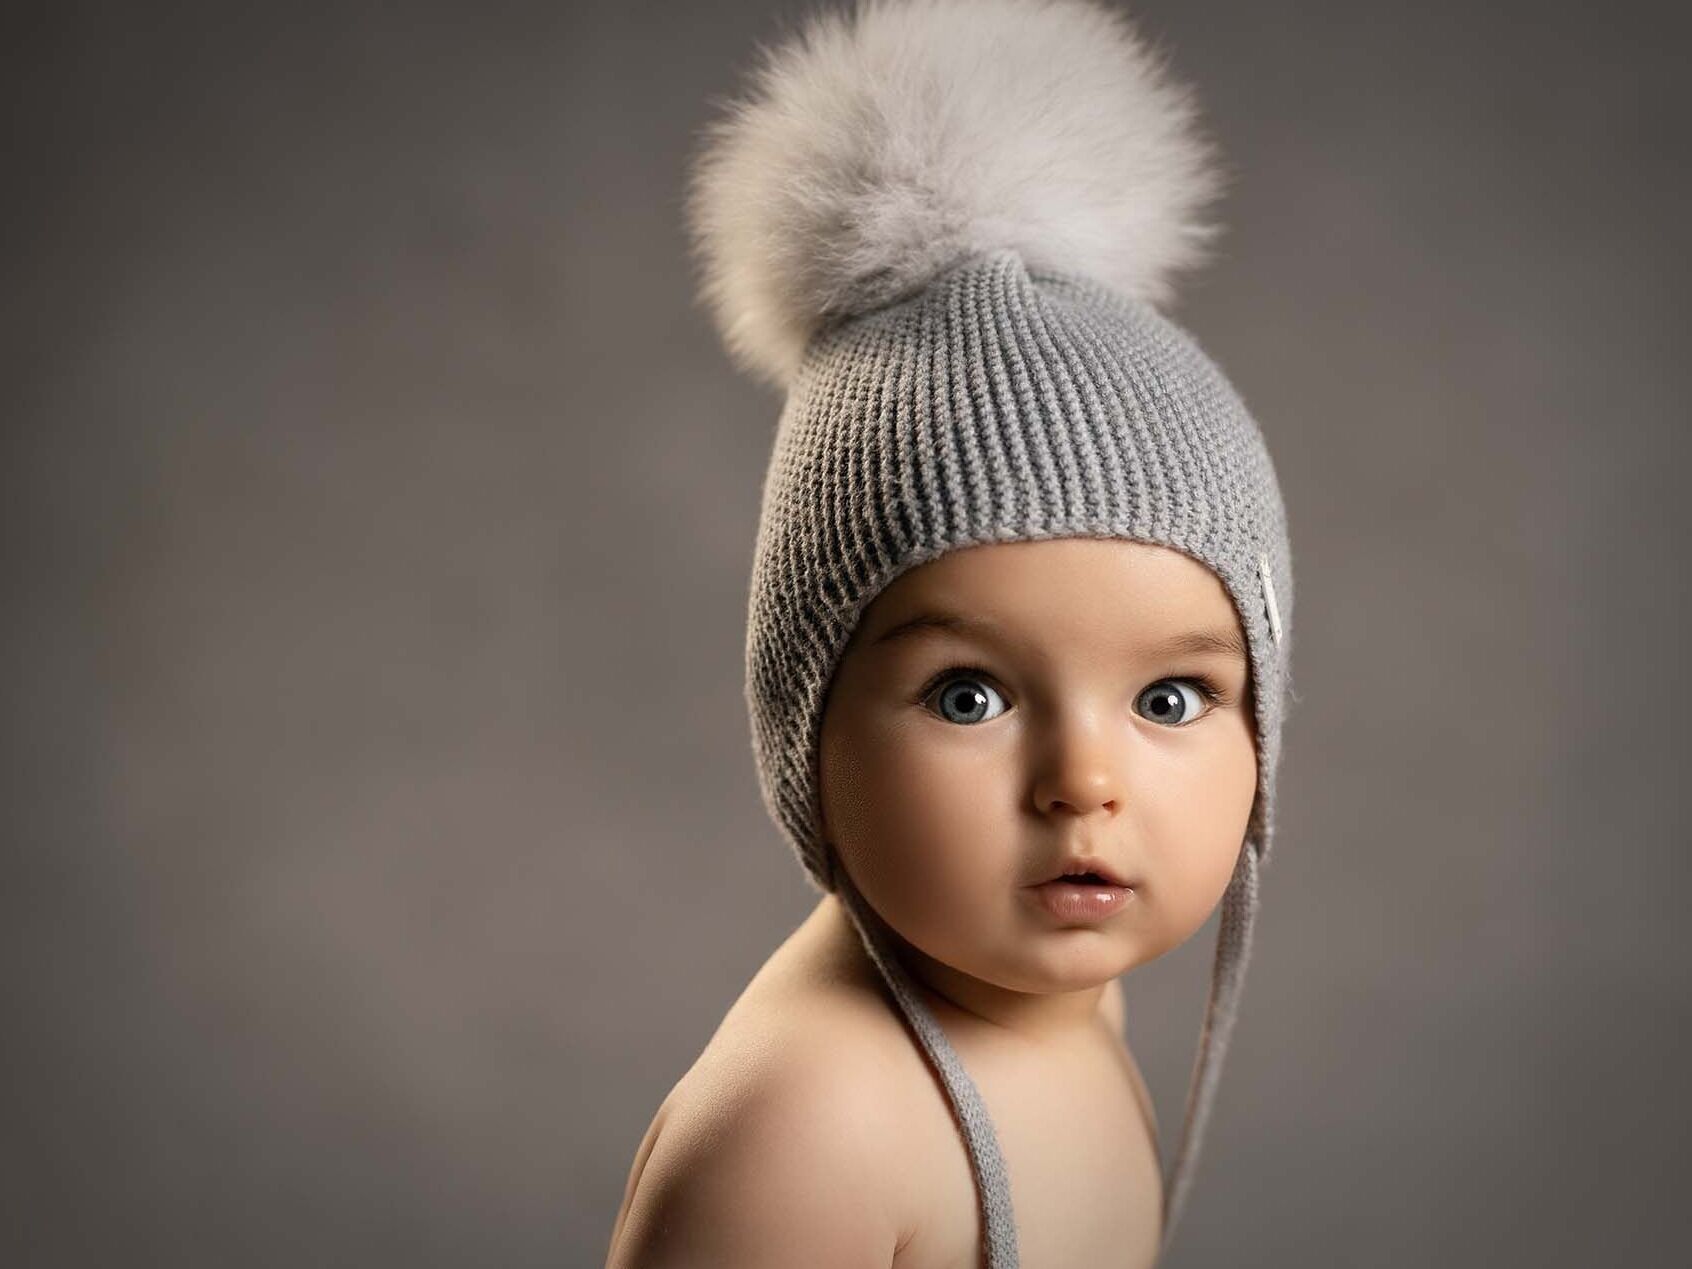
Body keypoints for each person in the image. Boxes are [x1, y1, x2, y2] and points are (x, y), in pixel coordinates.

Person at [607, 0, 1297, 1264]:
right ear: (805, 727)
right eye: (969, 695)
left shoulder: (1080, 1011)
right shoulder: (811, 1131)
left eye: (1171, 699)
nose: (1084, 784)